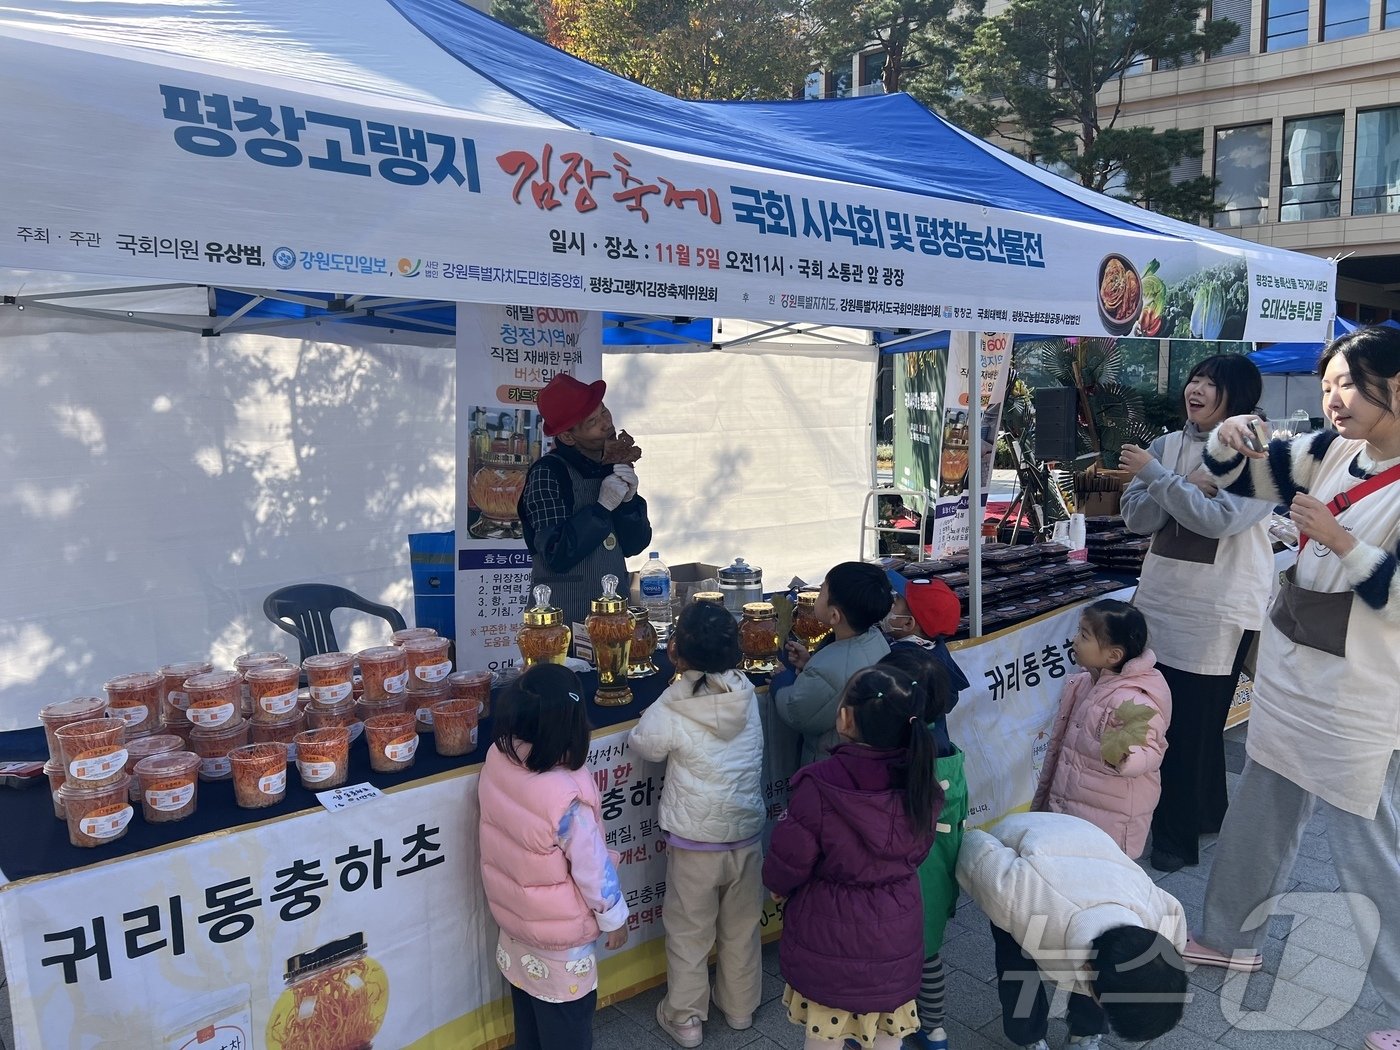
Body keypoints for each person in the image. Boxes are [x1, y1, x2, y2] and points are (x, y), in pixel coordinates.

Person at [1185, 326, 1400, 1050]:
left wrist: (1342, 542)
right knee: (1261, 809)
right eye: (1328, 384)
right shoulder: (1332, 451)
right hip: (1294, 677)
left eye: (1348, 384)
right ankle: (1225, 936)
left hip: (1362, 701)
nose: (1332, 399)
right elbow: (1236, 476)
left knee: (1370, 854)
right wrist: (1231, 437)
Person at [1118, 353, 1273, 872]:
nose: (1196, 388)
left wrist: (1165, 480)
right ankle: (1207, 815)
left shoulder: (1258, 451)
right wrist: (1181, 483)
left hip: (1218, 608)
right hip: (1163, 599)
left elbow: (1218, 522)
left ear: (1239, 397)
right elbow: (1136, 519)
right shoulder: (1166, 445)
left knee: (1193, 727)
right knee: (1167, 719)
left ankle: (1177, 840)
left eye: (1212, 383)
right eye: (1195, 378)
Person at [763, 666, 941, 1050]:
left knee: (825, 1038)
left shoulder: (819, 783)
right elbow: (920, 850)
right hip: (896, 930)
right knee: (887, 1035)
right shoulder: (920, 778)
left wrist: (777, 888)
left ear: (844, 717)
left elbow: (789, 858)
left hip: (829, 935)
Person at [627, 603, 765, 1048]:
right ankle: (741, 1008)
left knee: (689, 932)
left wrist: (675, 688)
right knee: (742, 928)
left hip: (694, 845)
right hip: (745, 837)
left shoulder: (675, 705)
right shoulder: (744, 693)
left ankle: (685, 1018)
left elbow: (643, 743)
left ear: (676, 653)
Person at [477, 663, 629, 1050]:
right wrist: (614, 919)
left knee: (529, 1020)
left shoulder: (499, 756)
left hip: (516, 926)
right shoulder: (566, 797)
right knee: (566, 1027)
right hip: (560, 943)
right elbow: (593, 869)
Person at [957, 812, 1189, 1050]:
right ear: (1087, 967)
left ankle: (1084, 1035)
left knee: (1106, 985)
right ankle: (1029, 1038)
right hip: (1031, 841)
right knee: (1019, 973)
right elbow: (974, 848)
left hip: (1093, 849)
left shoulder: (1164, 923)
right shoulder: (1019, 898)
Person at [1031, 599, 1171, 860]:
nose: (1074, 641)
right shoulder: (1085, 682)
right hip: (1074, 804)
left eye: (1084, 635)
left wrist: (1127, 757)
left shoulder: (1134, 700)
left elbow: (1150, 749)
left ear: (1113, 655)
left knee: (1100, 879)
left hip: (1110, 820)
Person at [878, 647, 966, 1050]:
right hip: (934, 887)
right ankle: (934, 1032)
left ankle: (881, 1033)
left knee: (886, 967)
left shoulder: (885, 766)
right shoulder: (950, 762)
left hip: (890, 897)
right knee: (929, 962)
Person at [518, 373, 652, 628]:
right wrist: (601, 508)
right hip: (563, 623)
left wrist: (629, 503)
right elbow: (556, 554)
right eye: (593, 421)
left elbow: (635, 544)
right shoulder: (548, 473)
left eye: (604, 411)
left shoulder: (612, 463)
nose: (606, 424)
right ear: (568, 437)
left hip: (615, 615)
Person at [771, 561, 892, 767]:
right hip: (860, 758)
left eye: (821, 592)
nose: (817, 595)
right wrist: (809, 664)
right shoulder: (875, 638)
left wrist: (782, 681)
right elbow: (836, 681)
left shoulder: (828, 670)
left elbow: (797, 711)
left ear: (834, 615)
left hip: (831, 764)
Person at [882, 571, 970, 755]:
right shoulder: (937, 649)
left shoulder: (900, 663)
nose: (888, 604)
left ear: (907, 624)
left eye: (895, 602)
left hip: (906, 757)